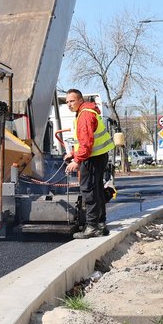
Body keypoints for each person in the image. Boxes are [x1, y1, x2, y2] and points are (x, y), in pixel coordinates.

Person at [64, 89, 114, 239]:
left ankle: (92, 226)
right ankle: (100, 224)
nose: (69, 104)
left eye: (72, 101)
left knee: (89, 191)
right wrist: (73, 153)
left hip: (91, 158)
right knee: (97, 190)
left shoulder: (84, 115)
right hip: (98, 156)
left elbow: (87, 143)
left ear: (80, 100)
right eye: (67, 102)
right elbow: (83, 141)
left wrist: (76, 161)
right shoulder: (86, 112)